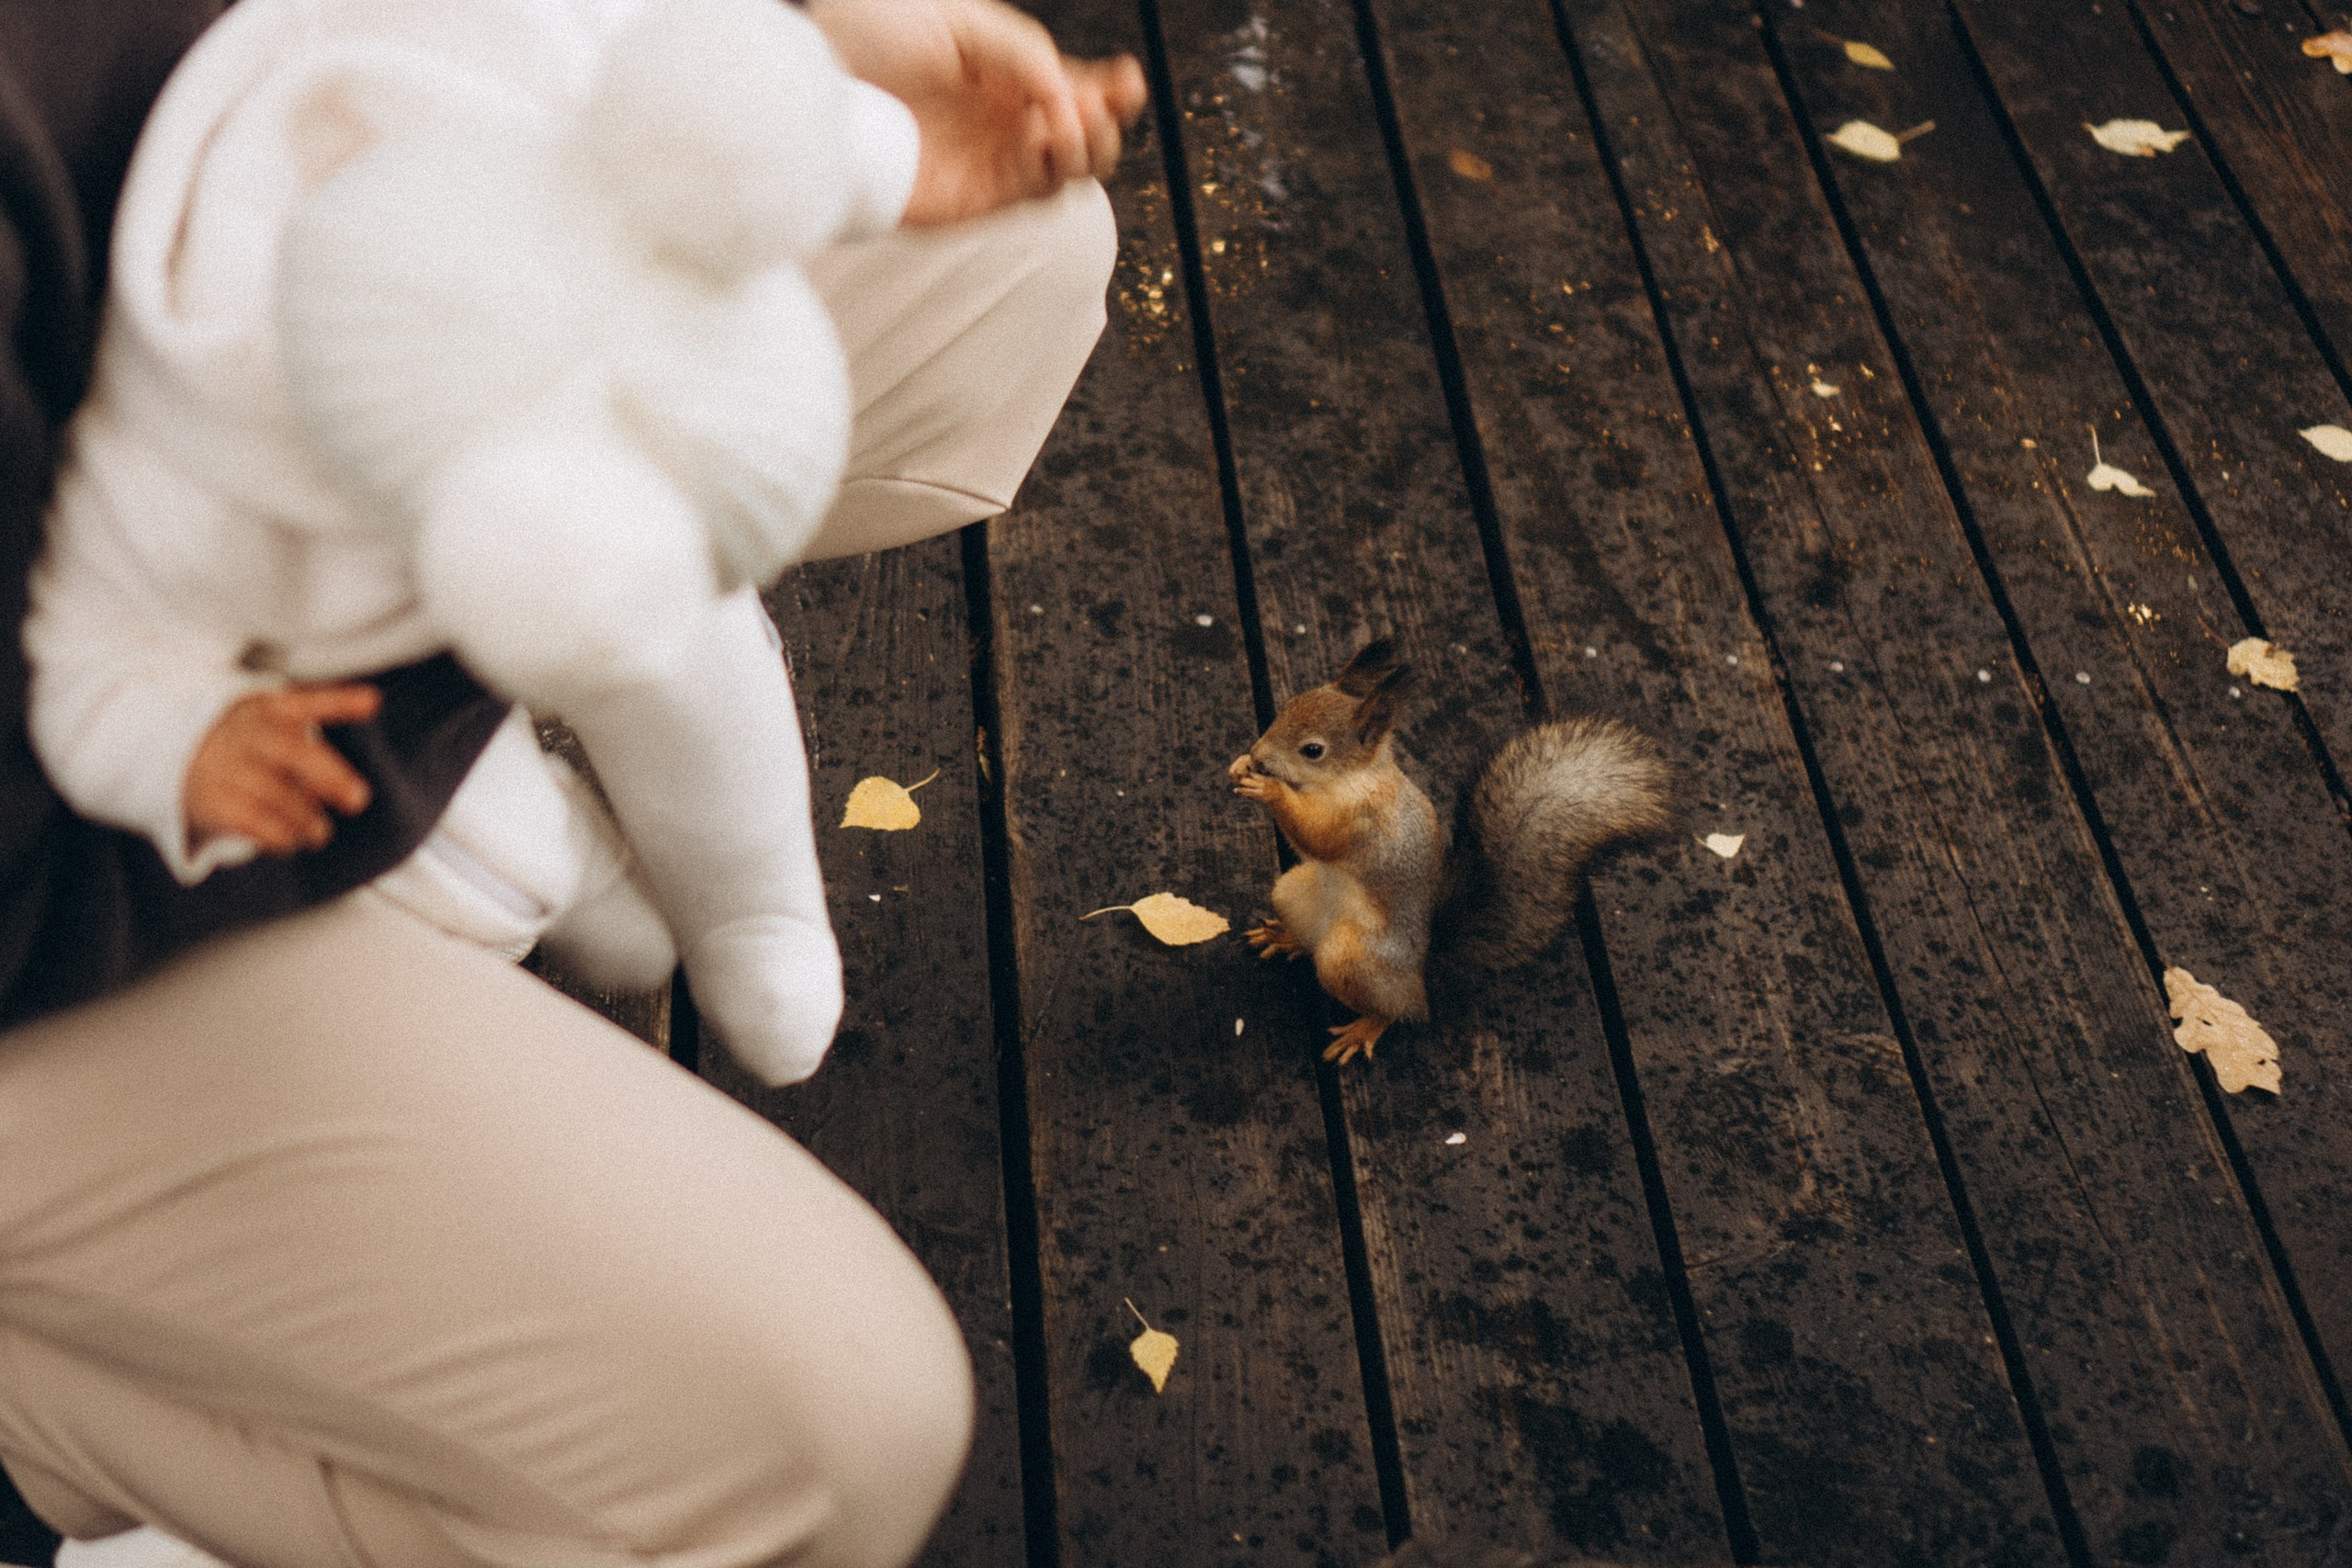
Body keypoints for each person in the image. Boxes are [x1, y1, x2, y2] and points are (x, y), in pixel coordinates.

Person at [0, 1, 1144, 1564]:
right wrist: (409, 689)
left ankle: (544, 786)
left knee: (1011, 255)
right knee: (822, 1430)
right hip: (70, 793)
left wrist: (791, 53)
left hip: (326, 229)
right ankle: (87, 1414)